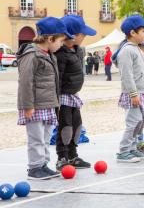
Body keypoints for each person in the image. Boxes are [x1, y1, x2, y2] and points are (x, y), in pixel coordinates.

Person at [17, 17, 71, 180]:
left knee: (46, 137)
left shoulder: (49, 55)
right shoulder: (32, 55)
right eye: (60, 41)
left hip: (47, 104)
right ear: (50, 38)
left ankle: (43, 165)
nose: (61, 44)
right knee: (36, 138)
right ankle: (34, 168)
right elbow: (26, 81)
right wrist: (27, 105)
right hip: (35, 105)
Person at [112, 15, 144, 163]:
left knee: (140, 121)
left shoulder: (136, 49)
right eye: (143, 31)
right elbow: (127, 74)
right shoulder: (126, 51)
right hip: (133, 93)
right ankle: (123, 151)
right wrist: (133, 93)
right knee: (133, 121)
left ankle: (132, 147)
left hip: (141, 93)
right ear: (132, 33)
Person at [54, 15, 96, 170]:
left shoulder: (78, 50)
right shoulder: (60, 53)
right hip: (63, 96)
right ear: (73, 35)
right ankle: (62, 157)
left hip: (74, 95)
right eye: (83, 34)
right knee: (65, 127)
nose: (84, 37)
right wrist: (55, 99)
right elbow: (57, 77)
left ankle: (73, 155)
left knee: (77, 126)